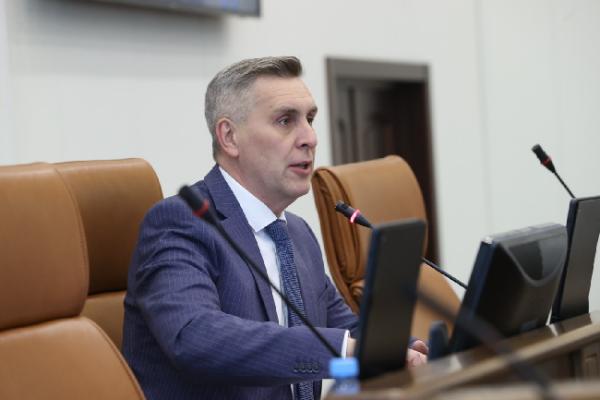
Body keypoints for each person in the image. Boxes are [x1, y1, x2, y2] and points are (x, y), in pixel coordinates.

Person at [122, 56, 427, 400]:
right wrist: (346, 350)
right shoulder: (181, 223)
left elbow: (343, 327)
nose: (310, 138)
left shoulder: (296, 233)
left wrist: (410, 350)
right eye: (285, 120)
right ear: (229, 137)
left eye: (310, 119)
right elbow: (194, 336)